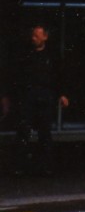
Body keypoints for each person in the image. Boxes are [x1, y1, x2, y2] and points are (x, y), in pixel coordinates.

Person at [2, 25, 69, 175]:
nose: (34, 39)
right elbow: (14, 77)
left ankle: (46, 166)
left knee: (45, 132)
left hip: (45, 96)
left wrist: (62, 94)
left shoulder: (52, 57)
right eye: (33, 36)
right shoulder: (24, 56)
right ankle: (20, 166)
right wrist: (8, 97)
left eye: (37, 36)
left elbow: (59, 76)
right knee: (23, 130)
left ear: (45, 37)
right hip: (28, 96)